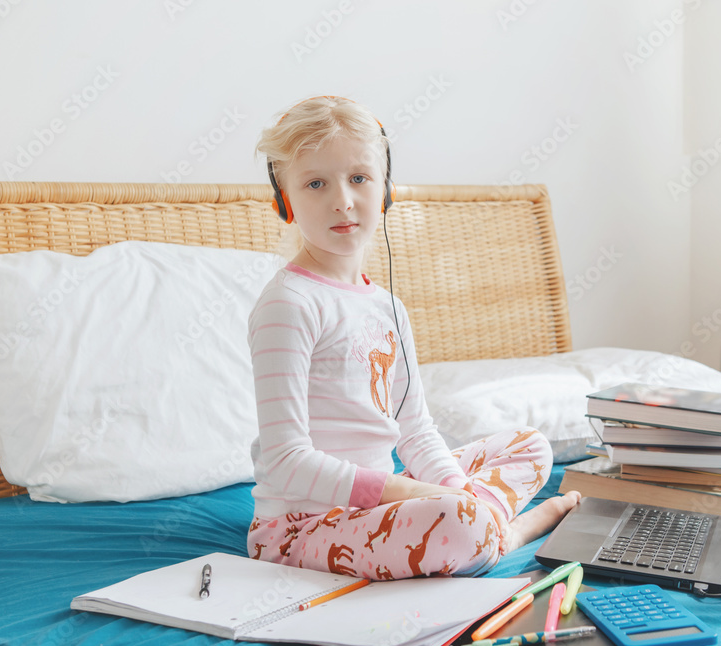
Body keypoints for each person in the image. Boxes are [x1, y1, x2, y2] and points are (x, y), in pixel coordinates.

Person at [246, 96, 579, 580]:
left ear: (385, 191)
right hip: (301, 527)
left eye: (359, 178)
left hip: (380, 502)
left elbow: (416, 429)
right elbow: (286, 461)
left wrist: (450, 488)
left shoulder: (389, 307)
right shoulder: (289, 303)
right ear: (285, 202)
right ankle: (502, 533)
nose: (342, 199)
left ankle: (482, 527)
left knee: (531, 446)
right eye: (316, 183)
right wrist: (421, 496)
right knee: (462, 524)